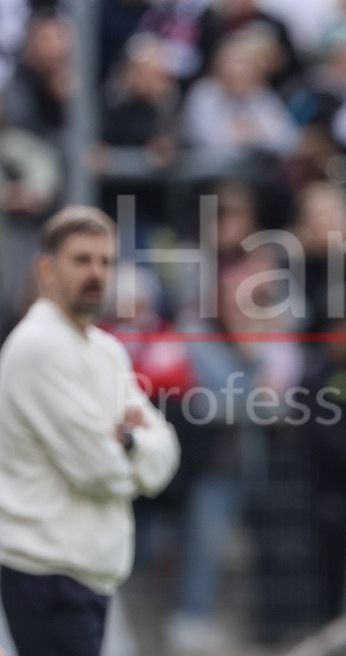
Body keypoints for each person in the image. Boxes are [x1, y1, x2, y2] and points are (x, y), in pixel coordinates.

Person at [0, 206, 180, 656]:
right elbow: (97, 471)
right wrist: (134, 454)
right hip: (44, 571)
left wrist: (127, 441)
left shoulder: (106, 349)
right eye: (81, 259)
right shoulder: (38, 347)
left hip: (88, 572)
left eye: (105, 261)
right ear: (47, 268)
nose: (96, 272)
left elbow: (166, 455)